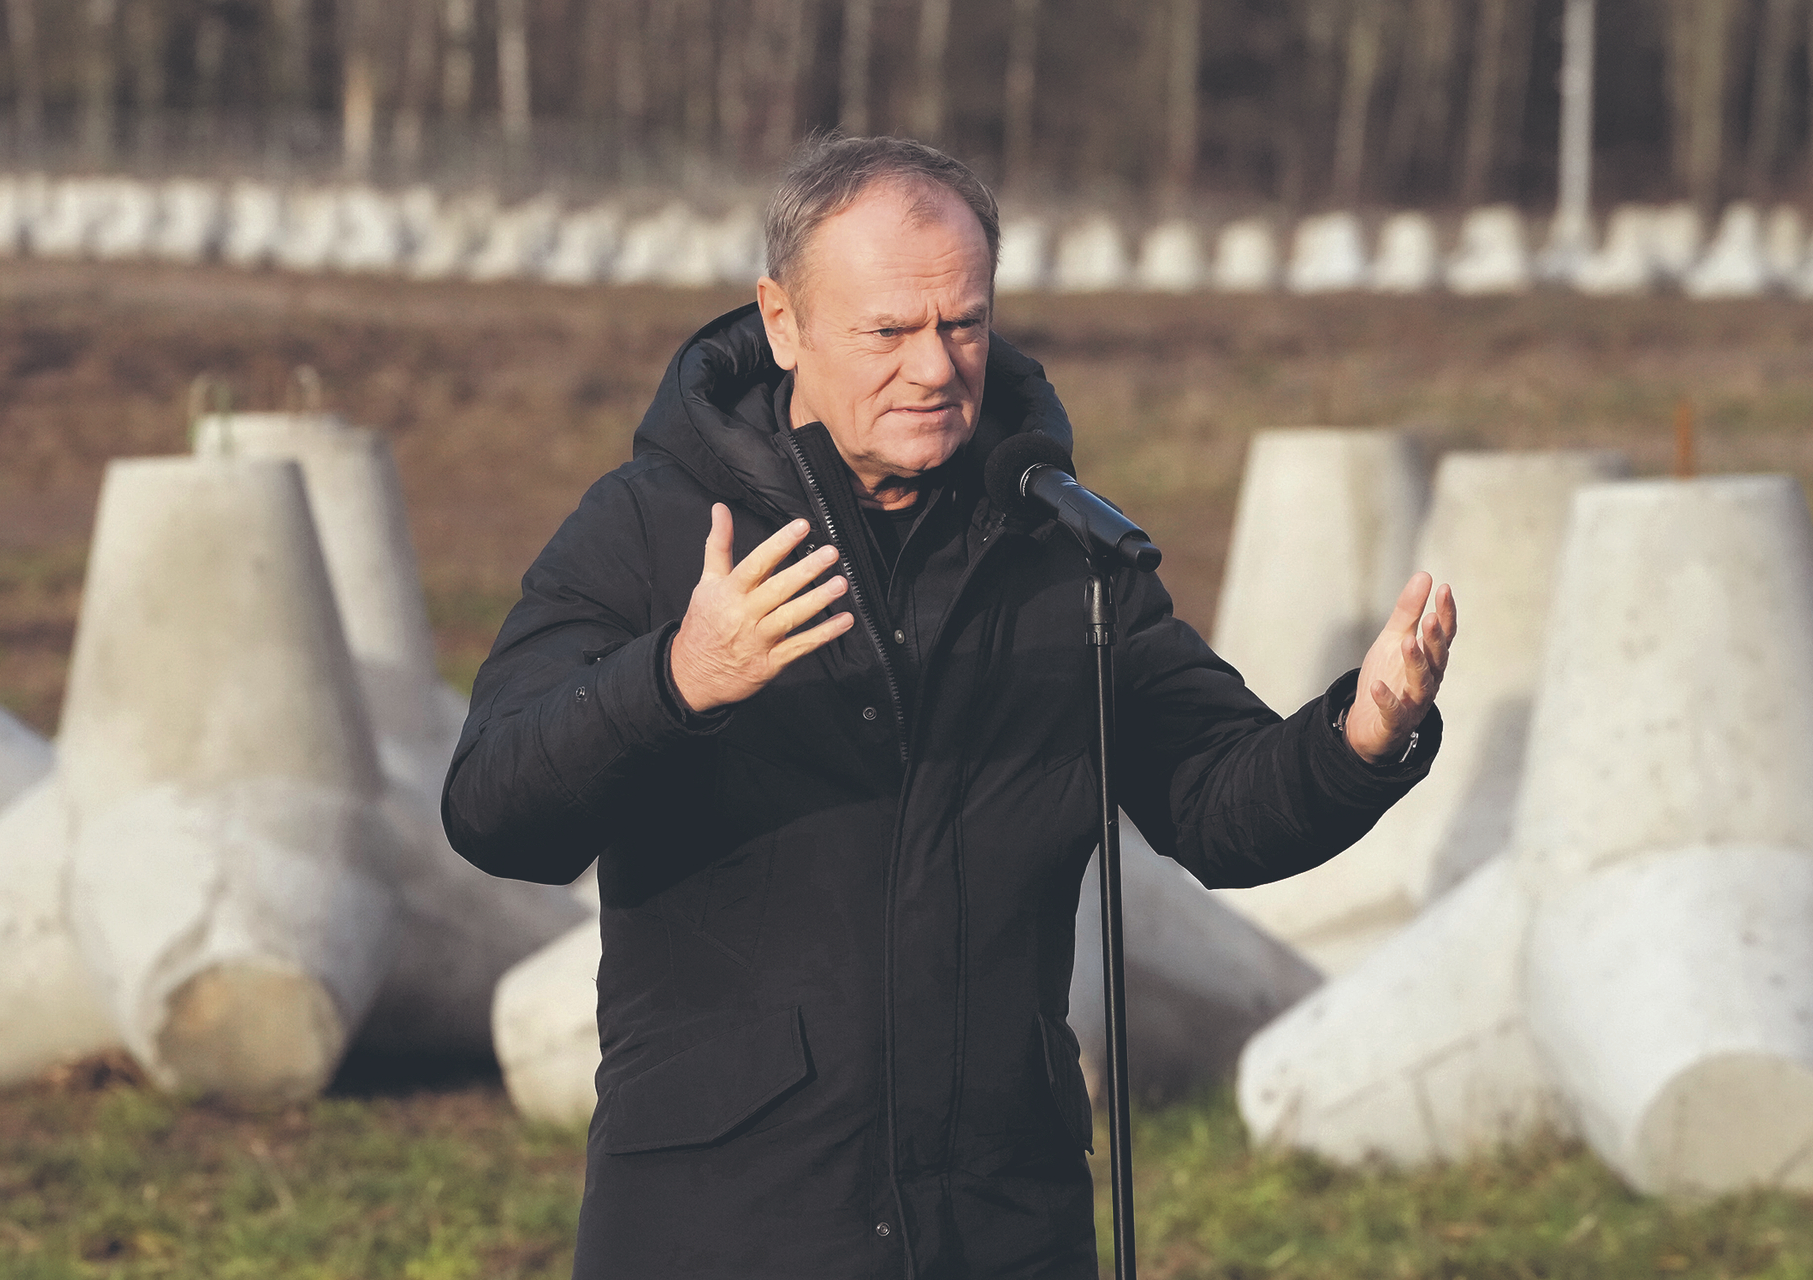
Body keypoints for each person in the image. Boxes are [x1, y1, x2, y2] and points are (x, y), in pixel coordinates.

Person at [443, 135, 1456, 1280]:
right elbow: (492, 809)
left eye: (962, 324)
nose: (935, 366)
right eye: (889, 330)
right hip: (722, 1220)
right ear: (782, 322)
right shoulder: (651, 529)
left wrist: (1365, 734)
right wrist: (675, 681)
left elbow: (1220, 803)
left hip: (1000, 1222)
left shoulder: (1065, 552)